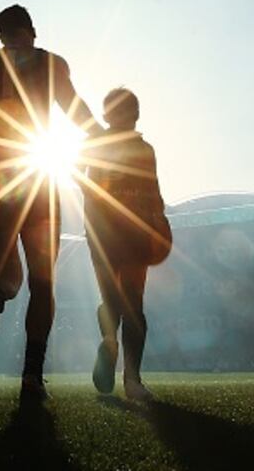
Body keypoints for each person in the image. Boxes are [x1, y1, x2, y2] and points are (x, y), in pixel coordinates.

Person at [0, 4, 100, 401]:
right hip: (37, 175)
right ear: (33, 30)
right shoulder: (51, 64)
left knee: (10, 278)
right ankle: (31, 376)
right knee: (43, 283)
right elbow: (76, 111)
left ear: (0, 35)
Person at [82, 87, 169, 402]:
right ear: (136, 114)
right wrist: (160, 224)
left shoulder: (94, 143)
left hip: (101, 231)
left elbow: (76, 175)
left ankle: (109, 339)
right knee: (133, 303)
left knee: (112, 300)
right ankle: (132, 381)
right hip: (130, 232)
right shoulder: (144, 149)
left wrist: (95, 195)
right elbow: (155, 195)